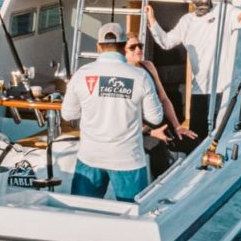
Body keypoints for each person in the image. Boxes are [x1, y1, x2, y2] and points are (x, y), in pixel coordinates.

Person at [61, 22, 164, 202]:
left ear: (99, 47)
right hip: (128, 159)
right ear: (124, 47)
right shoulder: (141, 76)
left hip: (90, 157)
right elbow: (156, 117)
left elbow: (68, 115)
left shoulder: (81, 74)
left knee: (81, 213)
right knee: (132, 217)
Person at [144, 0, 241, 140]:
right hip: (199, 90)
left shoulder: (224, 11)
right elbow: (166, 42)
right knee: (197, 135)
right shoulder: (186, 21)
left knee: (220, 135)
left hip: (223, 88)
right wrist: (151, 20)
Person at [125, 32, 198, 177]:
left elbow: (164, 99)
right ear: (123, 52)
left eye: (140, 45)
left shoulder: (148, 66)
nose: (138, 50)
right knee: (158, 150)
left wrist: (178, 126)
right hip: (140, 129)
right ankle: (159, 193)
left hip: (160, 123)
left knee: (194, 142)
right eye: (132, 47)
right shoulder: (122, 75)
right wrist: (150, 132)